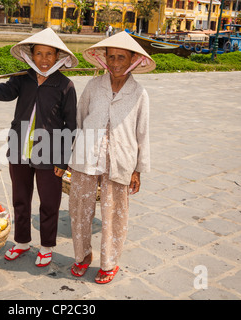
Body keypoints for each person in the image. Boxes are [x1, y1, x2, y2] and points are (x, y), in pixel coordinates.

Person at [0, 28, 78, 267]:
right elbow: (0, 93)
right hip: (19, 150)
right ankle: (22, 242)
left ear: (58, 57)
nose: (44, 59)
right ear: (31, 55)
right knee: (20, 199)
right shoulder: (22, 79)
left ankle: (46, 246)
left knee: (49, 202)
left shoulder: (65, 85)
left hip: (50, 154)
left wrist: (62, 162)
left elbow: (71, 126)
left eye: (49, 54)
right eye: (39, 53)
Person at [68, 31, 156, 284]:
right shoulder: (94, 86)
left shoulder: (139, 93)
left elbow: (143, 133)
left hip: (120, 162)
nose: (116, 63)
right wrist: (72, 156)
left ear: (133, 61)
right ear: (104, 59)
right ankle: (82, 256)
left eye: (122, 58)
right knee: (80, 210)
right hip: (86, 158)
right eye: (112, 57)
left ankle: (109, 263)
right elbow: (79, 118)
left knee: (114, 214)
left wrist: (138, 170)